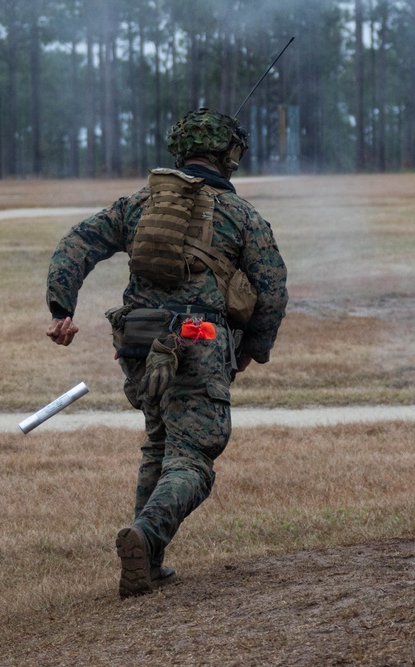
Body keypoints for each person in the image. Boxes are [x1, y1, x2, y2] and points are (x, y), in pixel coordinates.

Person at [44, 108, 289, 599]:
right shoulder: (241, 216)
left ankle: (147, 564)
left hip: (136, 341)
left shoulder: (139, 204)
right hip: (198, 342)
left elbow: (77, 243)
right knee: (193, 457)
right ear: (230, 156)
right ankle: (146, 534)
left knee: (159, 445)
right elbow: (273, 289)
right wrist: (253, 350)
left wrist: (61, 306)